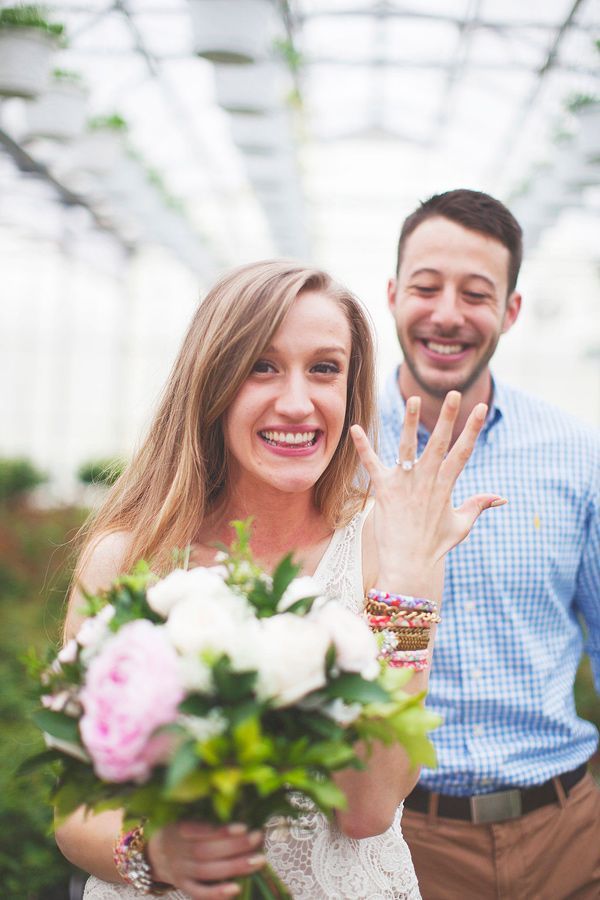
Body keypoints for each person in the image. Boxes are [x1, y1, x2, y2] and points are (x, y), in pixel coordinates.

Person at [55, 260, 504, 900]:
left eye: (324, 368)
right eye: (262, 366)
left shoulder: (390, 551)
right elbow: (74, 811)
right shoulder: (127, 558)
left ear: (350, 390)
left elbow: (368, 809)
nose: (297, 402)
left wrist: (407, 577)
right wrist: (156, 853)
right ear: (212, 382)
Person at [380, 189, 600, 899]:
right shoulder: (338, 448)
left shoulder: (573, 452)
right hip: (398, 840)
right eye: (426, 287)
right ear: (391, 295)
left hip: (569, 833)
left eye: (476, 294)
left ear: (509, 311)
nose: (447, 313)